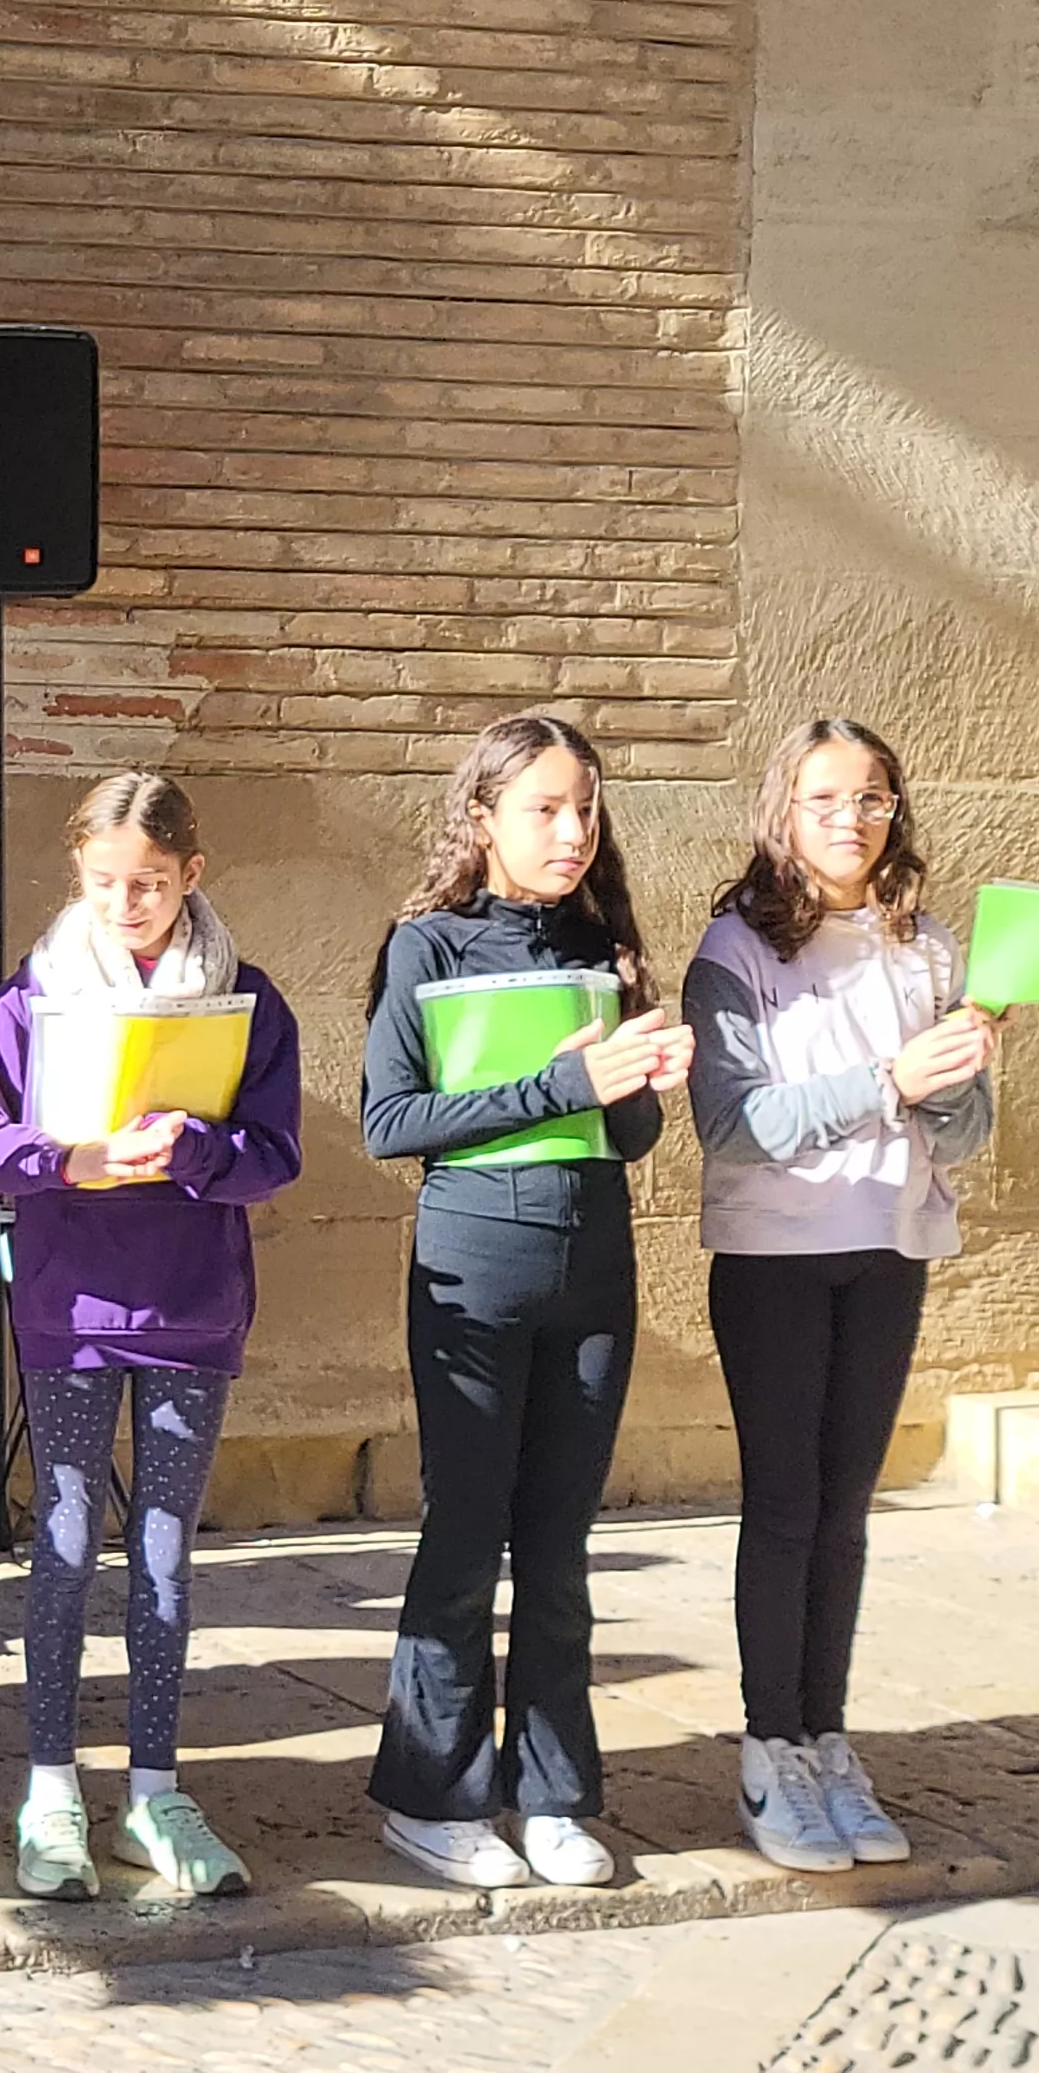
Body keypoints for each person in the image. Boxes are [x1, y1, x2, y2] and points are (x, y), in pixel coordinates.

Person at [0, 770, 301, 1903]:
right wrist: (65, 1157)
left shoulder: (247, 998)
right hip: (70, 1302)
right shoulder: (35, 994)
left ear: (192, 875)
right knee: (61, 1537)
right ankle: (50, 1782)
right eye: (106, 883)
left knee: (161, 1547)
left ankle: (155, 1788)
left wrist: (196, 1144)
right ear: (78, 876)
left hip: (192, 1305)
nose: (128, 901)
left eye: (149, 882)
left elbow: (275, 1155)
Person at [359, 711, 691, 1892]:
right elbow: (388, 1120)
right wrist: (561, 1076)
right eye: (545, 807)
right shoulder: (428, 945)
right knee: (464, 1532)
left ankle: (551, 1792)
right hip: (474, 1266)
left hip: (593, 1265)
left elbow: (629, 1134)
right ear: (484, 817)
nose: (570, 830)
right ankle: (432, 1793)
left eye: (585, 808)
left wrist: (650, 1082)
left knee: (559, 1543)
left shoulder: (604, 941)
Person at [685, 719, 992, 1876]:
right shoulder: (738, 946)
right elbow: (734, 1121)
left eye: (871, 797)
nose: (851, 819)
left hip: (888, 1242)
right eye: (825, 799)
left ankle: (827, 1740)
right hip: (774, 1256)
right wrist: (885, 1079)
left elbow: (965, 1129)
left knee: (848, 1509)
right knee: (785, 1504)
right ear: (784, 813)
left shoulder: (929, 949)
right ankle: (768, 1748)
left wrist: (957, 1079)